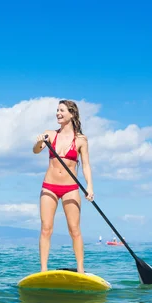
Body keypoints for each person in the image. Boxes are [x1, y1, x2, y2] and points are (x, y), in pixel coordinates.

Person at [33, 100, 94, 274]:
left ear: (72, 114)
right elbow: (36, 150)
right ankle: (43, 270)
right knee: (46, 228)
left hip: (71, 188)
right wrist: (39, 142)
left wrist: (90, 186)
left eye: (62, 110)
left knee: (74, 230)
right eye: (57, 110)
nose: (58, 113)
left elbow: (86, 165)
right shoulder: (50, 134)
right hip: (49, 187)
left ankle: (81, 270)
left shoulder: (81, 139)